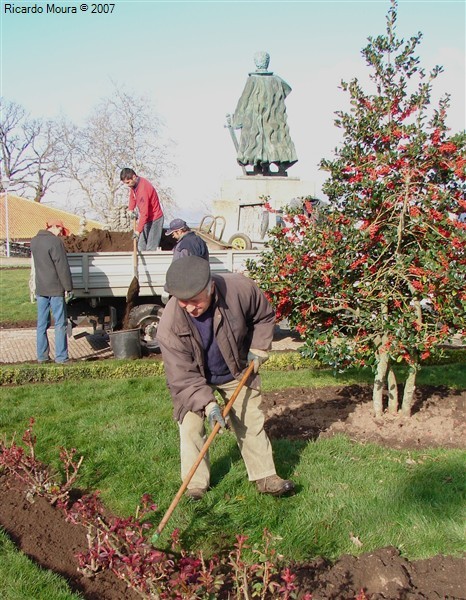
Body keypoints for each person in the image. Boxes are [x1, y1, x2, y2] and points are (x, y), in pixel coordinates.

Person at [156, 256, 295, 500]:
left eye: (194, 300)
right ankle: (195, 485)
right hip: (195, 377)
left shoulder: (239, 289)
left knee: (249, 418)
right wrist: (209, 406)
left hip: (235, 369)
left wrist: (259, 348)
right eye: (182, 302)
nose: (189, 307)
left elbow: (263, 317)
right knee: (190, 425)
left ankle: (265, 477)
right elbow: (182, 377)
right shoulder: (169, 326)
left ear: (210, 287)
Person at [231, 51, 298, 176]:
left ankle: (262, 168)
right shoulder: (277, 80)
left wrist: (236, 120)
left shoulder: (253, 80)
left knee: (261, 141)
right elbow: (287, 89)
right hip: (269, 120)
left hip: (262, 120)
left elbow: (243, 102)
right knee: (265, 141)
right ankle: (263, 167)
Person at [30, 219, 73, 364]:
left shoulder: (34, 241)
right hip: (55, 288)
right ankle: (61, 357)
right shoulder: (55, 242)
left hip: (41, 288)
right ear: (53, 227)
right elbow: (62, 267)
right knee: (60, 323)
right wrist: (68, 287)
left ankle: (42, 356)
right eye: (60, 230)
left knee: (42, 323)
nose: (60, 233)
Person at [120, 167, 164, 251]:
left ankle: (150, 263)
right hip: (146, 219)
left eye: (128, 182)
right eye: (125, 183)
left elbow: (144, 214)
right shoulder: (134, 184)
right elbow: (132, 197)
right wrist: (130, 209)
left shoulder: (143, 190)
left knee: (150, 248)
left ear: (134, 177)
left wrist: (137, 231)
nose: (127, 185)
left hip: (155, 219)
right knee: (141, 246)